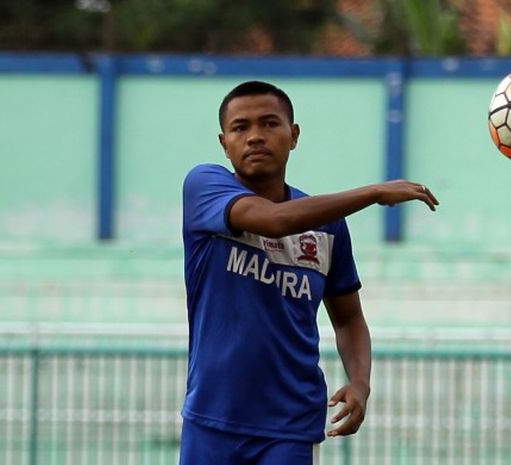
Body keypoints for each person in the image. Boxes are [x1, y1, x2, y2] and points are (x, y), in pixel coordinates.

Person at [179, 80, 438, 465]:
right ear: (224, 143)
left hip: (290, 426)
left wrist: (360, 383)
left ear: (294, 135)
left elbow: (348, 318)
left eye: (269, 124)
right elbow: (274, 220)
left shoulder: (327, 226)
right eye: (240, 127)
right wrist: (372, 193)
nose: (255, 137)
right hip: (213, 419)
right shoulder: (205, 186)